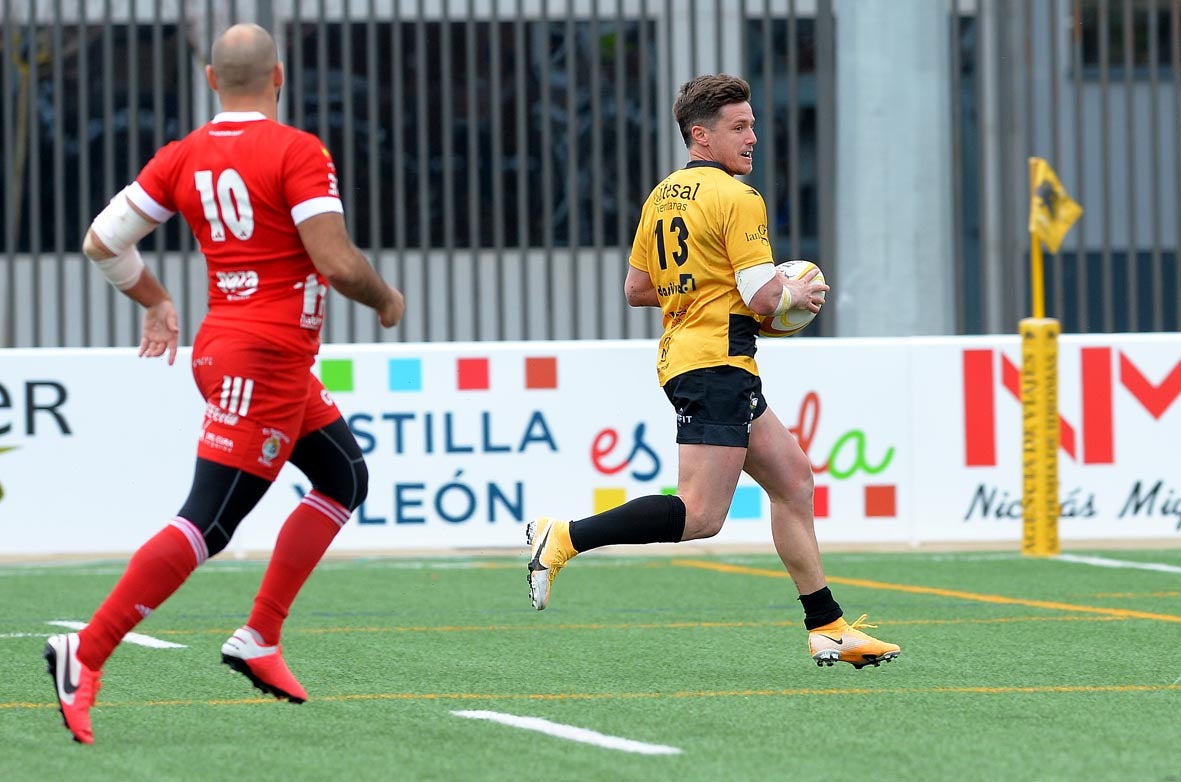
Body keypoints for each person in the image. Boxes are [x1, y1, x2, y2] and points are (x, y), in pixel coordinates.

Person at [43, 23, 405, 745]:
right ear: (278, 76)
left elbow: (100, 241)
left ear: (212, 80)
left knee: (343, 478)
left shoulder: (182, 156)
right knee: (208, 522)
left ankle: (259, 637)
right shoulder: (298, 150)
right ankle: (86, 650)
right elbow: (333, 262)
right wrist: (385, 299)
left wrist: (152, 300)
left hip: (250, 355)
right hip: (261, 361)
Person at [527, 74, 901, 670]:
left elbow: (637, 289)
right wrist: (795, 296)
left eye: (752, 124)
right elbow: (759, 297)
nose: (753, 136)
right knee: (701, 516)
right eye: (740, 126)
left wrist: (720, 290)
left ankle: (827, 626)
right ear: (701, 135)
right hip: (714, 363)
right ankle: (565, 536)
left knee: (794, 480)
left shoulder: (661, 196)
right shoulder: (738, 198)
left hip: (705, 359)